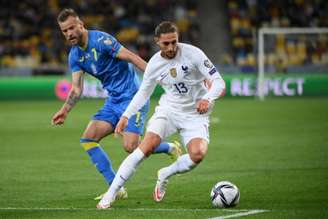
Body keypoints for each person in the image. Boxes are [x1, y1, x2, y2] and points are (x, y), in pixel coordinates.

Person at [51, 9, 182, 199]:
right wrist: (64, 110)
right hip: (113, 101)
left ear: (81, 25)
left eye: (72, 28)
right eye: (64, 31)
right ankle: (116, 187)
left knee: (130, 146)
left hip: (133, 97)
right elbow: (76, 89)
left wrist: (156, 75)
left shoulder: (102, 41)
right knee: (88, 139)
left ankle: (169, 147)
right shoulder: (75, 56)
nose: (69, 33)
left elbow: (131, 57)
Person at [97, 21, 226, 209]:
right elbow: (143, 93)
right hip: (169, 111)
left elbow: (219, 82)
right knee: (145, 148)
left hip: (195, 114)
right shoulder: (155, 64)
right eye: (166, 43)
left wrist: (208, 98)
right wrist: (126, 116)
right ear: (157, 41)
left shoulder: (194, 53)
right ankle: (111, 194)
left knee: (197, 154)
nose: (172, 47)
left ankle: (165, 173)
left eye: (174, 42)